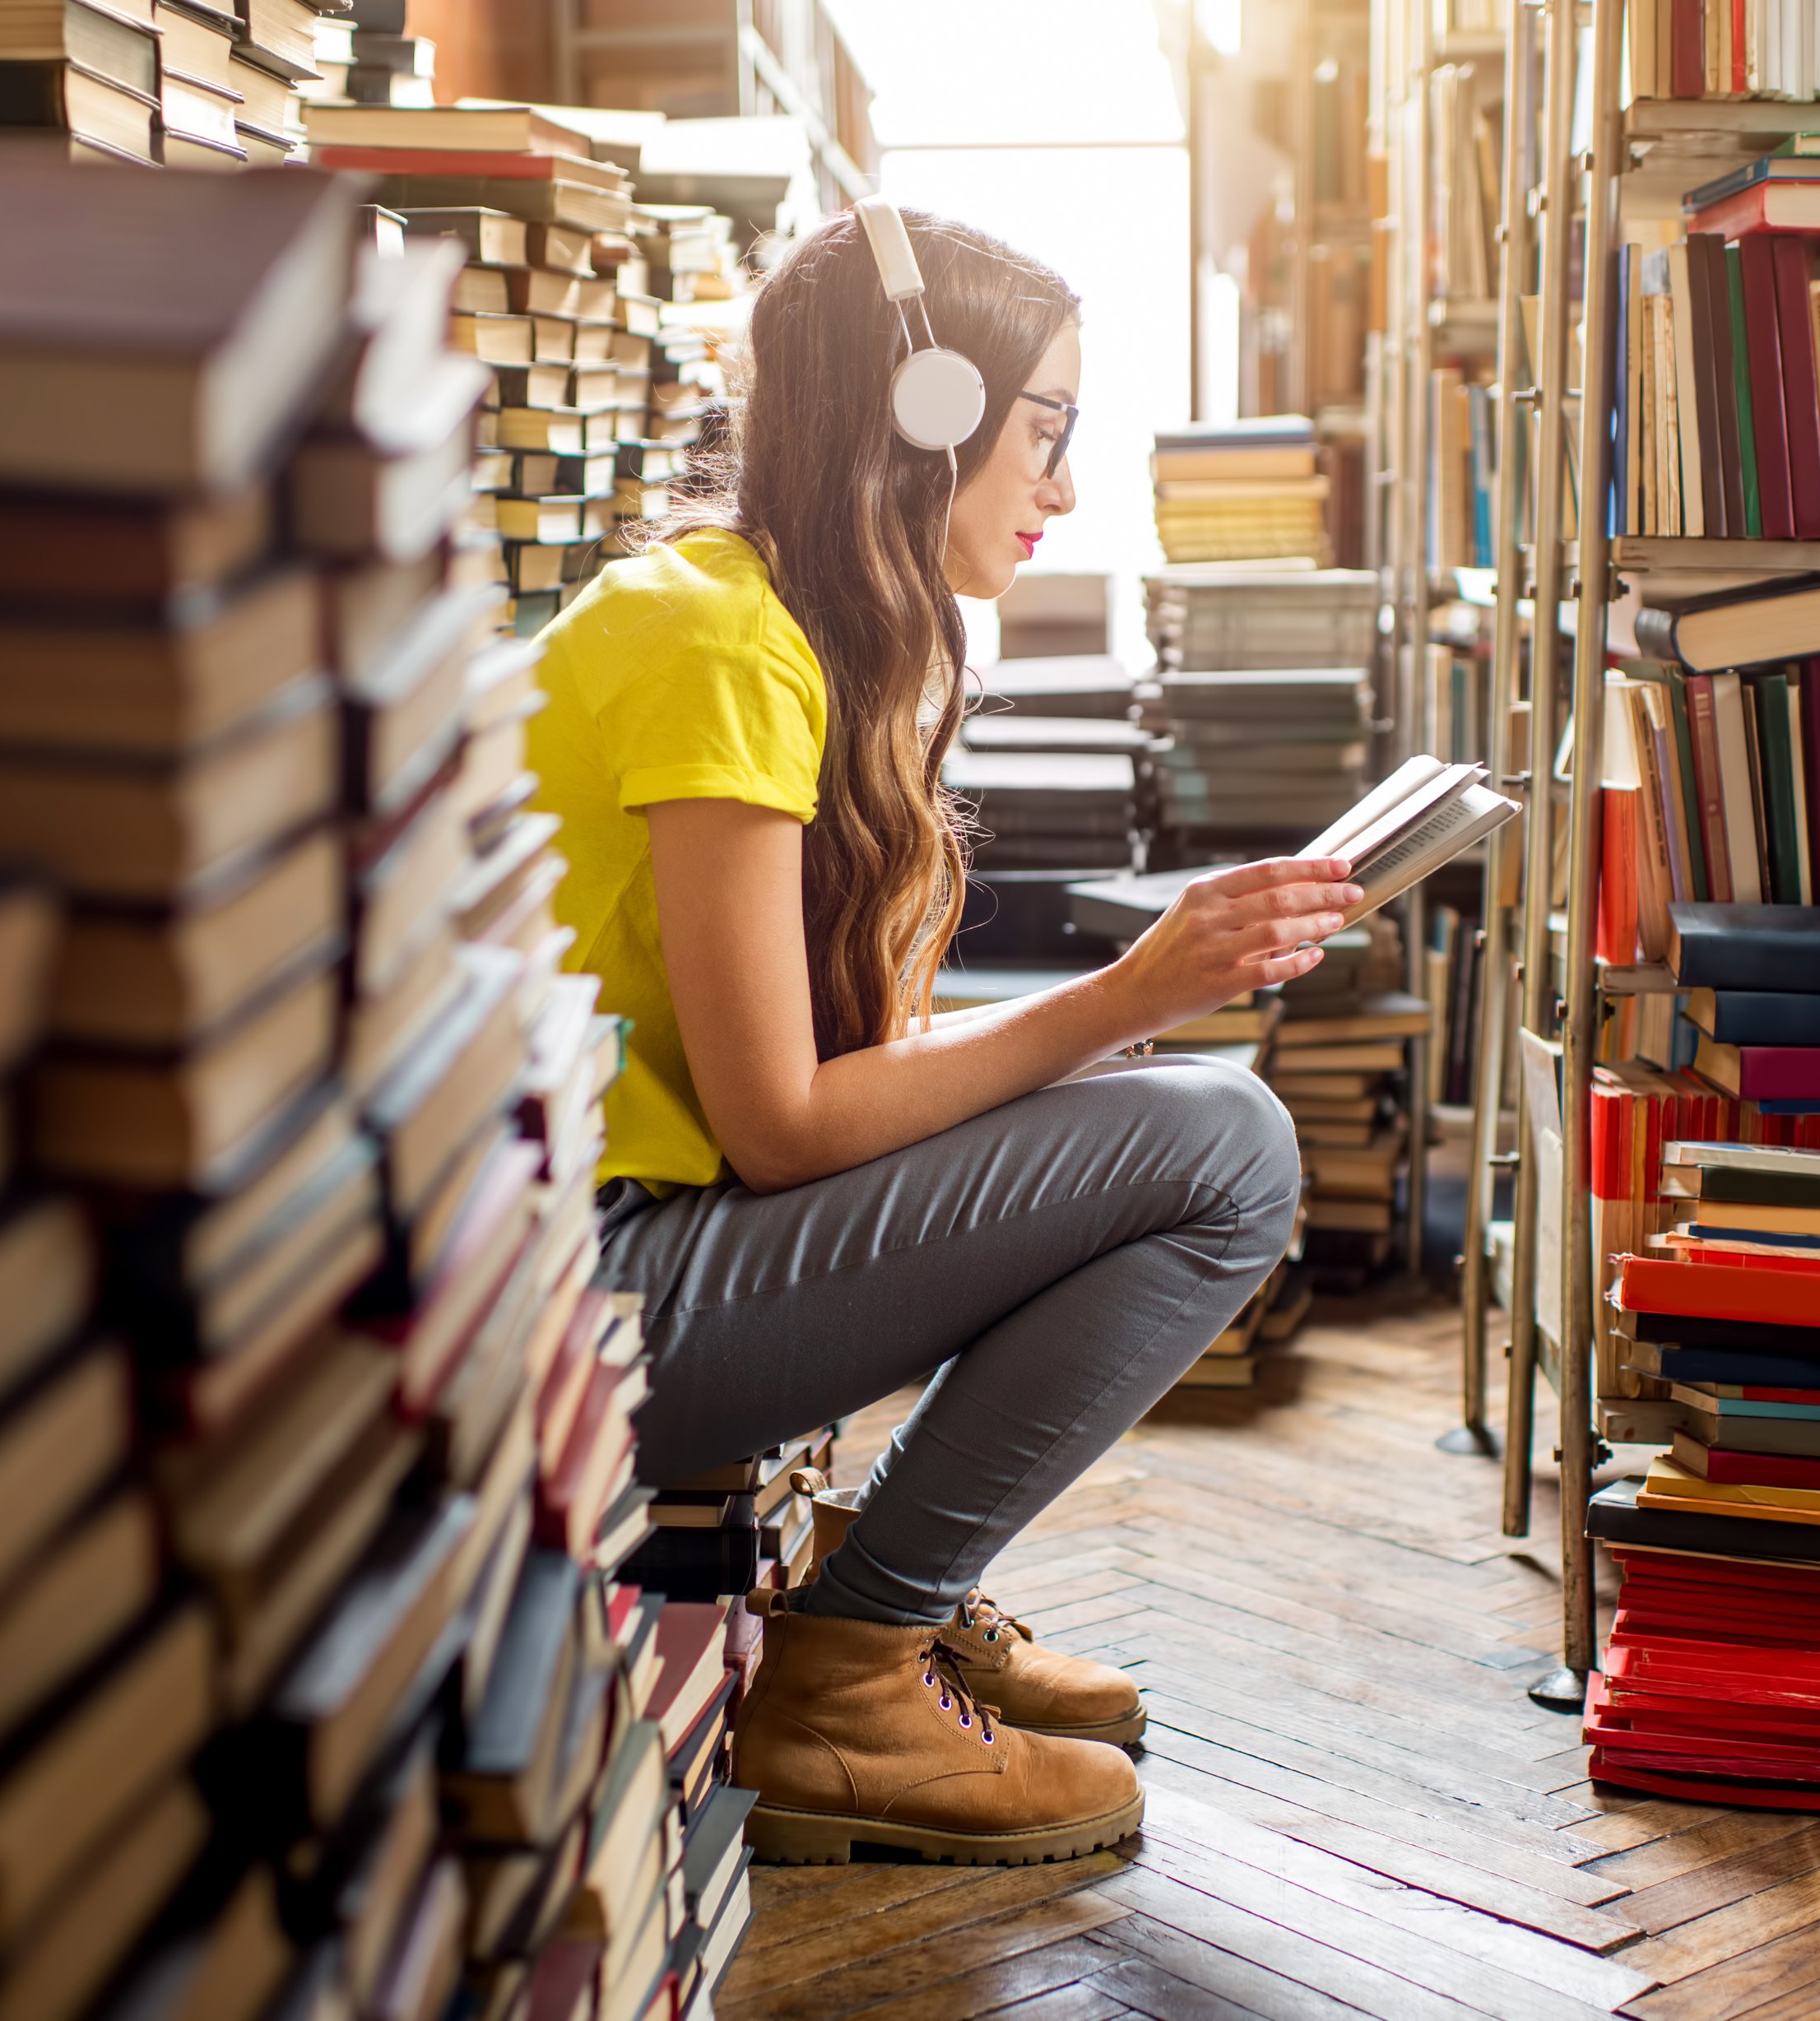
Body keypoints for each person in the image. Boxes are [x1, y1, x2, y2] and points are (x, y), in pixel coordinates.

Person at [525, 204, 1356, 1866]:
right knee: (1225, 1144)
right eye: (1043, 433)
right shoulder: (715, 644)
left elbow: (796, 1087)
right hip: (579, 1311)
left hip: (616, 1259)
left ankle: (893, 1594)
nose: (1060, 487)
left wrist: (1087, 1052)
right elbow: (778, 1126)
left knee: (1174, 1114)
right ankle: (848, 1674)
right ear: (924, 421)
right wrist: (1119, 999)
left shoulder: (762, 618)